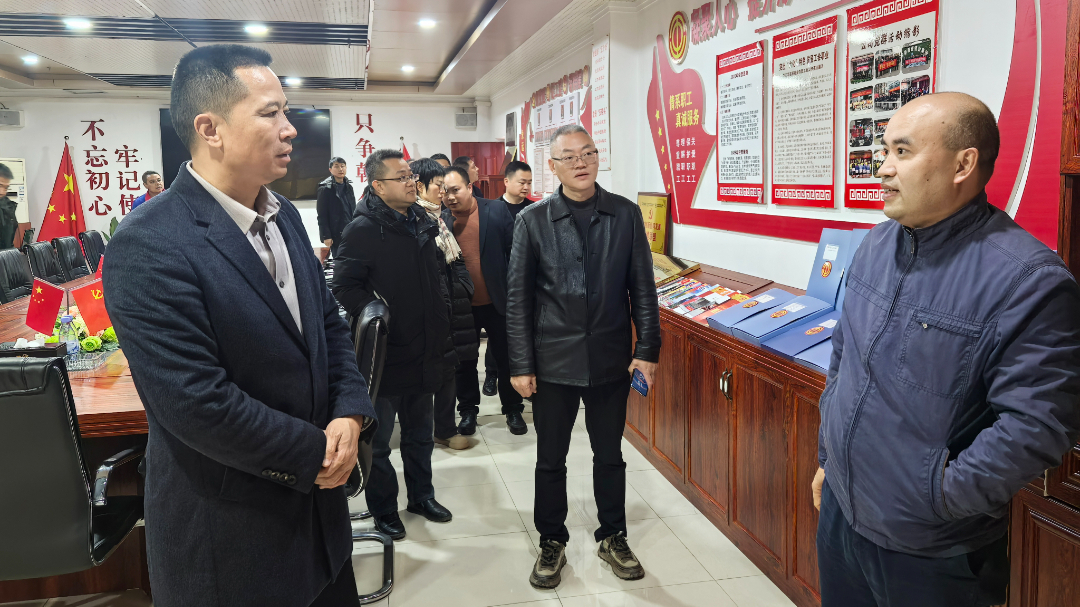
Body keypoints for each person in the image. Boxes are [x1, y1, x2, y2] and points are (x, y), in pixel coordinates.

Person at [101, 44, 377, 607]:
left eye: (286, 112)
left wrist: (350, 412)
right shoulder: (149, 243)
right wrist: (316, 453)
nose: (290, 128)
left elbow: (328, 325)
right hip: (233, 539)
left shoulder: (283, 217)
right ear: (210, 129)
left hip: (322, 528)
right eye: (270, 113)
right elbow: (197, 402)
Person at [812, 92, 1080, 607]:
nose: (883, 169)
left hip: (933, 553)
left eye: (903, 152)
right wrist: (830, 456)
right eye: (884, 151)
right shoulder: (875, 245)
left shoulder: (1028, 281)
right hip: (842, 516)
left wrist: (939, 496)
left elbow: (1040, 424)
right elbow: (845, 355)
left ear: (963, 164)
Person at [506, 124, 660, 589]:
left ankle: (612, 535)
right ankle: (551, 540)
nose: (581, 162)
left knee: (609, 454)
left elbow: (643, 289)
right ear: (552, 166)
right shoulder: (532, 220)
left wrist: (647, 350)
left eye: (588, 153)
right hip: (552, 359)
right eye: (569, 156)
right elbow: (518, 299)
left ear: (597, 158)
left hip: (610, 358)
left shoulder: (625, 214)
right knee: (550, 458)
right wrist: (520, 364)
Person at [332, 149, 453, 541]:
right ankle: (384, 509)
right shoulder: (362, 229)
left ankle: (422, 497)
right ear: (378, 186)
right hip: (385, 353)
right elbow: (344, 286)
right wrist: (379, 314)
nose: (411, 182)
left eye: (410, 176)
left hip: (424, 347)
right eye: (401, 177)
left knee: (420, 434)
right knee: (379, 441)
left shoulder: (421, 220)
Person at [441, 165, 526, 436]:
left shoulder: (496, 210)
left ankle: (512, 409)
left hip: (498, 302)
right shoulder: (441, 220)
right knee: (465, 362)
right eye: (445, 191)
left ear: (469, 187)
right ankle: (468, 411)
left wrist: (516, 294)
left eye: (456, 190)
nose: (450, 196)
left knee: (506, 359)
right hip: (462, 306)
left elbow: (516, 253)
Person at [411, 157, 477, 451]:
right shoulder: (414, 221)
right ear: (419, 187)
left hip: (450, 308)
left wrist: (463, 286)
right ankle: (427, 433)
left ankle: (445, 429)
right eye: (438, 185)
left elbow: (455, 262)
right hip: (431, 312)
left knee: (450, 369)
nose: (443, 191)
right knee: (431, 374)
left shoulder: (438, 219)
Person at [316, 157, 356, 258]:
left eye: (342, 166)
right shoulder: (325, 189)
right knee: (340, 261)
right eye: (336, 166)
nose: (340, 169)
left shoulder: (349, 187)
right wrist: (326, 236)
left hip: (351, 231)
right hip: (336, 233)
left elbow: (353, 209)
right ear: (330, 169)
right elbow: (322, 215)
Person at [0, 163, 17, 249]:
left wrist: (13, 254)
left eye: (6, 188)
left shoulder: (8, 207)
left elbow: (8, 241)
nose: (2, 192)